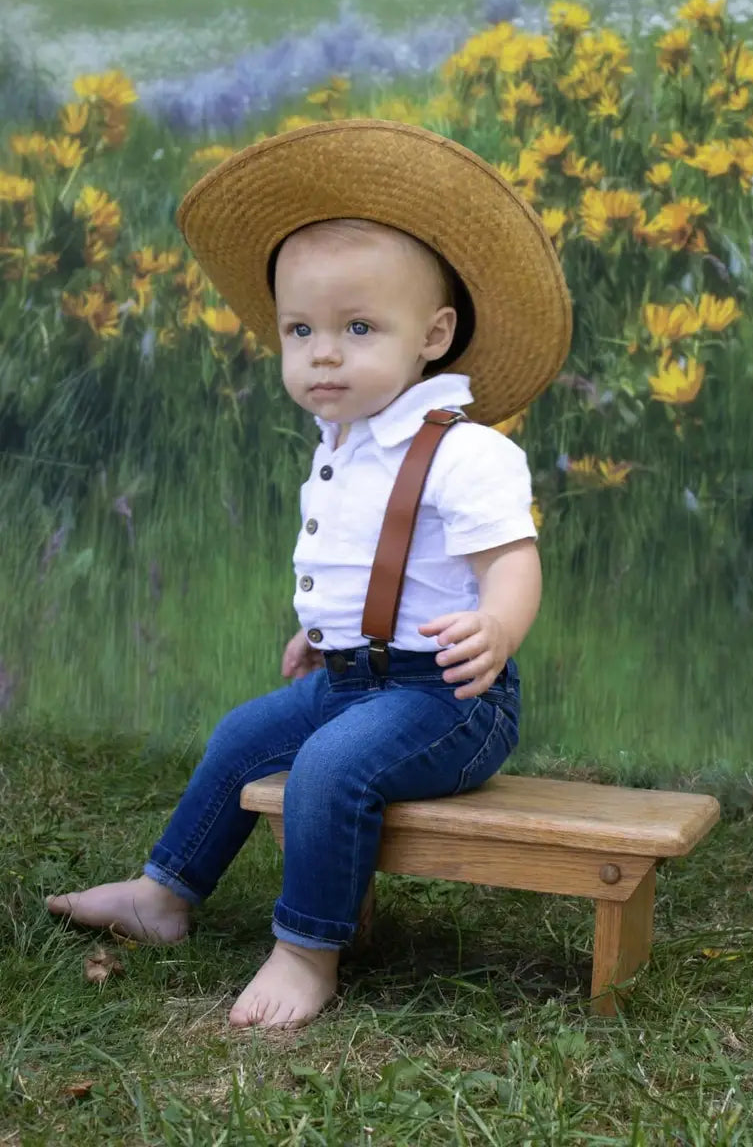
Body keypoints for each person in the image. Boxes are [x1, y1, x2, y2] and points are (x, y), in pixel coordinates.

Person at [46, 119, 571, 1029]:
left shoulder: (467, 451)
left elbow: (511, 563)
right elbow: (376, 566)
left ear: (433, 336)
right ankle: (164, 893)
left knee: (328, 769)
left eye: (358, 327)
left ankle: (307, 950)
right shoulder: (344, 446)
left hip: (449, 699)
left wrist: (499, 626)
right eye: (301, 329)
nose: (322, 351)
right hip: (350, 674)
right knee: (243, 735)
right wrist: (324, 630)